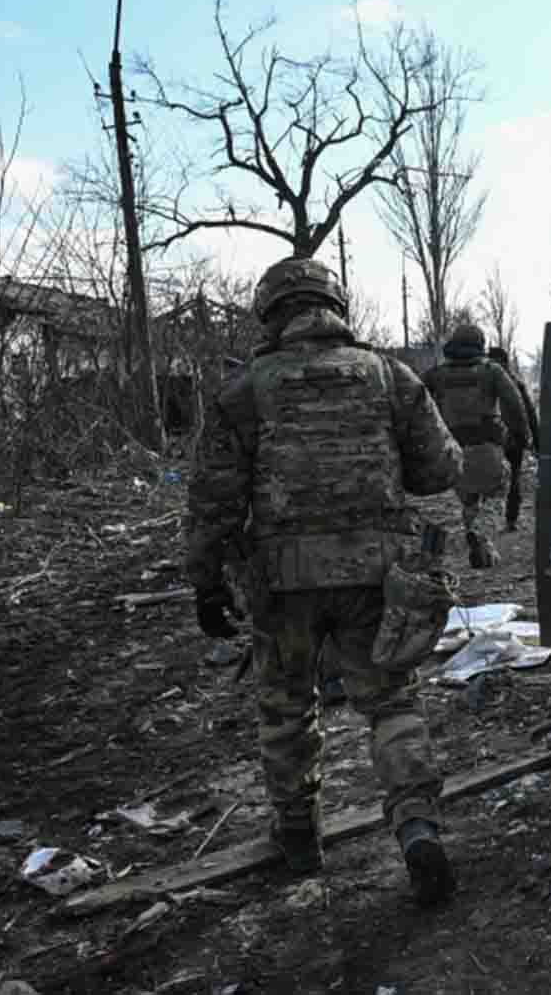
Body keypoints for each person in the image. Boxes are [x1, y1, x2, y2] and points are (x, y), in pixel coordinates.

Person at [185, 256, 464, 907]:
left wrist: (205, 583)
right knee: (391, 702)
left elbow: (213, 500)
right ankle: (418, 829)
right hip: (377, 578)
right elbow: (439, 469)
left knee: (285, 709)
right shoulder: (389, 376)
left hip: (282, 584)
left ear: (272, 314)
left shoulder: (244, 390)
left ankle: (298, 840)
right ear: (336, 308)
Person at [423, 324, 531, 567]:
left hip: (451, 451)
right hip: (486, 446)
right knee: (497, 493)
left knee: (470, 499)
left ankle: (483, 552)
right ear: (480, 345)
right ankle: (479, 533)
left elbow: (418, 405)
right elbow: (514, 404)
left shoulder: (435, 375)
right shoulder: (491, 371)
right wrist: (521, 435)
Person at [485, 346, 540, 533]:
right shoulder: (515, 382)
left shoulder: (482, 380)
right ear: (506, 361)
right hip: (513, 439)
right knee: (514, 478)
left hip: (489, 438)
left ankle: (484, 521)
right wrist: (534, 440)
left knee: (487, 478)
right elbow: (528, 412)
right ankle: (510, 520)